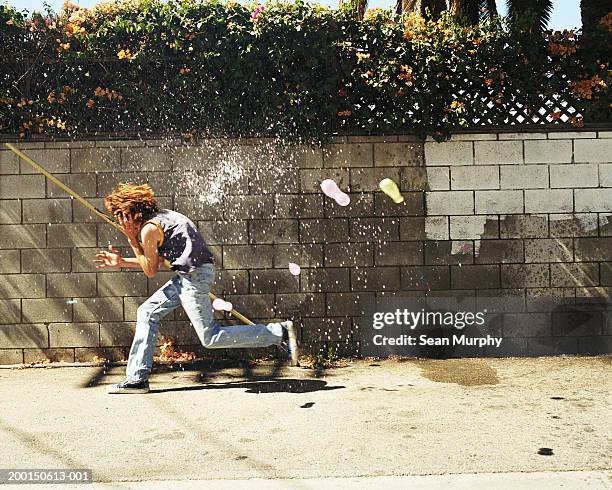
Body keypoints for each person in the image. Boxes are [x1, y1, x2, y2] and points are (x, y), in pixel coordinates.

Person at [94, 183, 298, 394]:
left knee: (210, 337)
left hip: (193, 277)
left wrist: (131, 240)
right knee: (147, 312)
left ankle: (278, 332)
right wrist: (121, 261)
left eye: (121, 215)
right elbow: (156, 260)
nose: (120, 221)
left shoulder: (148, 230)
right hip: (189, 275)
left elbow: (150, 270)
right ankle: (137, 379)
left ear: (133, 213)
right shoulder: (164, 217)